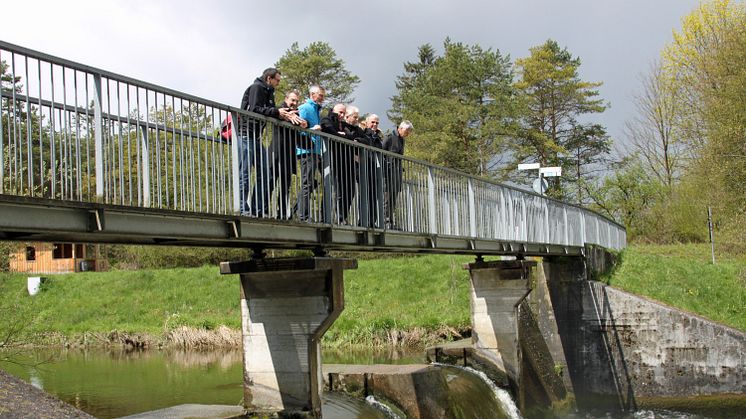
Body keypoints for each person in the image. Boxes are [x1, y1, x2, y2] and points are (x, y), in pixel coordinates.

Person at [238, 68, 301, 217]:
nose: (278, 83)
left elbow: (271, 110)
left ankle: (257, 210)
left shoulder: (269, 91)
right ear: (269, 78)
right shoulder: (257, 88)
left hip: (257, 137)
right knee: (245, 173)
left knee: (265, 173)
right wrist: (277, 112)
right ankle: (242, 209)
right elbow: (255, 109)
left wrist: (285, 115)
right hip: (246, 134)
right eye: (277, 80)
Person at [267, 90, 307, 219]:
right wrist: (290, 116)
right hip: (276, 152)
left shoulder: (297, 114)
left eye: (296, 101)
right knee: (270, 182)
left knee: (285, 186)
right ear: (286, 99)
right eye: (292, 100)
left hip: (289, 155)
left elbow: (300, 132)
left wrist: (305, 126)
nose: (294, 103)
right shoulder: (280, 109)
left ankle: (283, 213)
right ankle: (263, 209)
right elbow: (276, 113)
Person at [321, 103, 355, 225]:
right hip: (332, 159)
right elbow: (328, 129)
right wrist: (341, 135)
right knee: (335, 190)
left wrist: (346, 136)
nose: (341, 115)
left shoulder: (344, 125)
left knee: (350, 191)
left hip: (346, 161)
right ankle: (327, 217)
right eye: (340, 112)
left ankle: (342, 217)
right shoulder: (326, 119)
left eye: (343, 113)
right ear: (333, 110)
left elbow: (357, 135)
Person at [296, 85, 325, 222]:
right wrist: (313, 129)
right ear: (313, 94)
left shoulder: (316, 110)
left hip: (315, 151)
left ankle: (298, 211)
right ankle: (303, 216)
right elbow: (297, 128)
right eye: (321, 95)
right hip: (306, 150)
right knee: (307, 183)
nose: (323, 98)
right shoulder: (305, 108)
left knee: (317, 182)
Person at [382, 120, 413, 229]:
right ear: (400, 128)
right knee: (387, 197)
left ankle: (390, 222)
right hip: (388, 172)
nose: (408, 133)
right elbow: (381, 151)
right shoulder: (389, 137)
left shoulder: (402, 139)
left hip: (396, 172)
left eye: (409, 131)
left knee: (393, 198)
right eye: (407, 131)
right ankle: (385, 222)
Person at [356, 114, 384, 228]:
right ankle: (362, 221)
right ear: (367, 123)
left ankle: (372, 221)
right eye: (372, 122)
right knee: (364, 195)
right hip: (364, 168)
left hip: (374, 169)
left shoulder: (377, 137)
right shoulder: (363, 134)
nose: (375, 125)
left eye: (377, 123)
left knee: (373, 196)